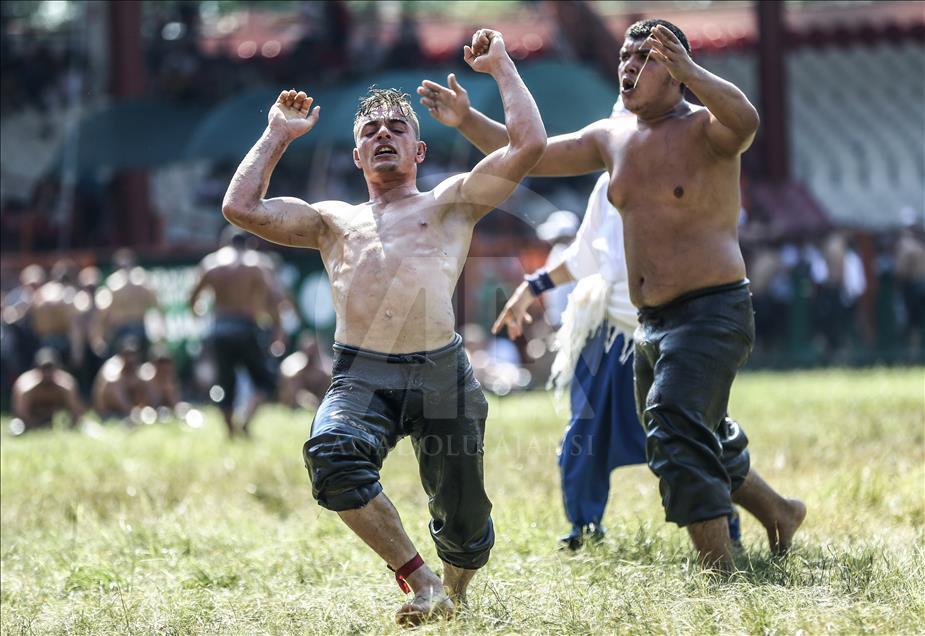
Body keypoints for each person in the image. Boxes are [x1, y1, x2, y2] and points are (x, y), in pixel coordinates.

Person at [421, 18, 805, 572]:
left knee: (675, 423)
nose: (628, 66)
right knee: (690, 431)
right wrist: (467, 118)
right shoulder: (612, 135)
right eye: (625, 57)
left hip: (713, 310)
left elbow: (747, 121)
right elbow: (533, 154)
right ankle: (780, 512)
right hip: (649, 321)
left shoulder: (705, 129)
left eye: (645, 59)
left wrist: (694, 72)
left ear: (674, 71)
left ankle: (720, 571)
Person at [220, 28, 545, 623]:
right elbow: (241, 208)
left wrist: (500, 67)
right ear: (357, 156)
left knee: (465, 520)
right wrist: (276, 135)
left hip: (441, 373)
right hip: (362, 374)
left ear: (419, 151)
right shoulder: (330, 220)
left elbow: (528, 145)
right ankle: (420, 582)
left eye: (398, 128)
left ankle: (455, 592)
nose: (383, 135)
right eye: (370, 131)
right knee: (333, 456)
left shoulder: (451, 201)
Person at [189, 227, 283, 437]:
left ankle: (231, 431)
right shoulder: (256, 263)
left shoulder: (211, 263)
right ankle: (246, 421)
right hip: (246, 326)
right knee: (265, 380)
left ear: (224, 243)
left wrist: (198, 317)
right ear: (249, 244)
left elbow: (193, 297)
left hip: (220, 327)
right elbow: (275, 297)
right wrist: (278, 330)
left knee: (225, 383)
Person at [11, 348, 84, 432]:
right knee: (16, 427)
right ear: (37, 369)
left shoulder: (66, 384)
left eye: (50, 368)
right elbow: (20, 413)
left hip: (53, 419)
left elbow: (77, 412)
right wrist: (37, 425)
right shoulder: (25, 385)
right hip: (31, 421)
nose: (47, 373)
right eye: (44, 368)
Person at [92, 338, 151, 421]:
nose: (131, 358)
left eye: (133, 354)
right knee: (115, 384)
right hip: (106, 410)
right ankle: (132, 414)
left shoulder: (136, 367)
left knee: (144, 379)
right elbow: (110, 387)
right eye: (128, 354)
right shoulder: (112, 366)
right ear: (121, 355)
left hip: (128, 407)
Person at [278, 333, 331, 410]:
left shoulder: (322, 364)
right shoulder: (294, 364)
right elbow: (287, 376)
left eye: (314, 351)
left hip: (317, 396)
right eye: (310, 350)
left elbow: (329, 372)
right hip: (297, 397)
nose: (311, 353)